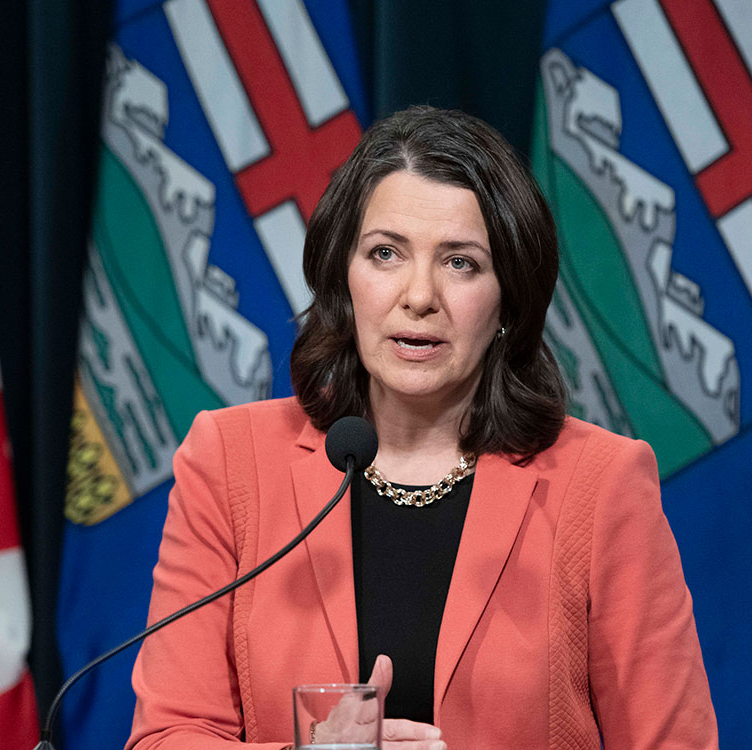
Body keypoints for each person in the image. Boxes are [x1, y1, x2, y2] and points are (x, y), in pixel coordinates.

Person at [126, 106, 718, 750]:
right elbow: (167, 736)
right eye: (385, 254)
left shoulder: (601, 485)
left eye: (460, 263)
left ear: (507, 300)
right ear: (342, 279)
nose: (418, 295)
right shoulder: (229, 462)